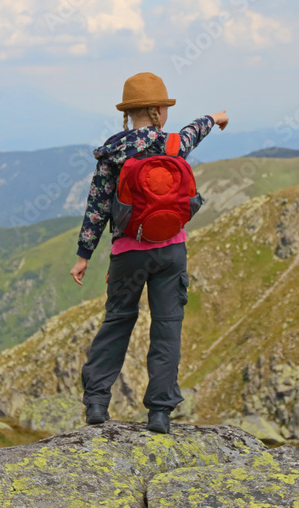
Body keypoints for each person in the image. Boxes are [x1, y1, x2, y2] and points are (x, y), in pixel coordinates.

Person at [69, 71, 228, 434]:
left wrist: (84, 254)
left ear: (129, 113)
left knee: (118, 321)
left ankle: (96, 403)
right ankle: (159, 412)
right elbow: (196, 129)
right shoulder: (174, 144)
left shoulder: (114, 151)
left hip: (128, 253)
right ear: (159, 110)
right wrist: (217, 118)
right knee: (167, 326)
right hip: (171, 251)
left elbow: (98, 207)